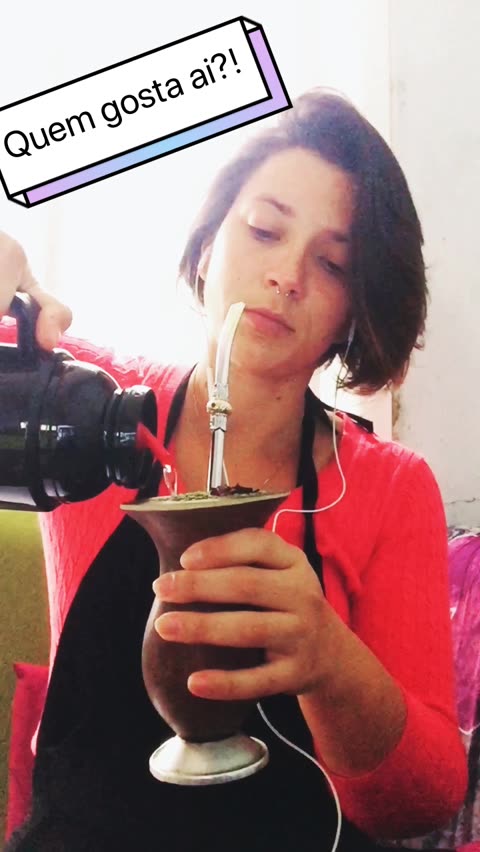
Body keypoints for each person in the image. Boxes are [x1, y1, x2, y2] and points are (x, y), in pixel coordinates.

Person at [0, 89, 468, 851]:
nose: (287, 274)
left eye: (332, 263)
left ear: (354, 313)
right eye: (263, 229)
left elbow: (427, 799)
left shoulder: (390, 486)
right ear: (209, 242)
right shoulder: (82, 401)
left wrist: (330, 662)